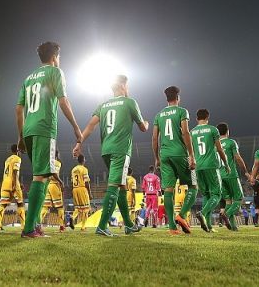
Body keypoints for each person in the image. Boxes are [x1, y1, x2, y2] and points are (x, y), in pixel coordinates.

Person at [15, 41, 82, 238]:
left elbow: (18, 109)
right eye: (59, 57)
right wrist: (76, 127)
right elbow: (63, 101)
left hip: (28, 130)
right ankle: (29, 229)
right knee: (40, 176)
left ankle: (36, 225)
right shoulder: (55, 72)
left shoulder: (28, 78)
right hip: (44, 128)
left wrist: (20, 136)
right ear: (54, 57)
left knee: (42, 175)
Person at [76, 74, 148, 236]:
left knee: (121, 186)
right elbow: (143, 128)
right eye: (127, 86)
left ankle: (128, 225)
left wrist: (79, 142)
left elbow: (90, 125)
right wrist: (147, 123)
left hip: (106, 150)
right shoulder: (130, 102)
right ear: (123, 86)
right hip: (120, 150)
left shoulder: (103, 105)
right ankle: (102, 226)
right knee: (114, 185)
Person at [152, 86, 196, 235]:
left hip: (164, 155)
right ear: (178, 98)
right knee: (193, 186)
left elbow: (154, 138)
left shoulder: (159, 115)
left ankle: (172, 227)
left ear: (167, 99)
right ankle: (181, 215)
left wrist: (157, 158)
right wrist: (191, 155)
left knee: (168, 190)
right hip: (179, 153)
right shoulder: (182, 111)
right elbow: (185, 132)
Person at [190, 109, 230, 233]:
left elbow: (190, 151)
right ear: (208, 118)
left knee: (206, 195)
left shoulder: (192, 132)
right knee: (216, 195)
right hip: (211, 166)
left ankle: (208, 226)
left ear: (196, 118)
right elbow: (220, 149)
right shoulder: (213, 129)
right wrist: (226, 164)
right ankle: (202, 213)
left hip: (198, 167)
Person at [217, 122, 248, 231]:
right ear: (227, 131)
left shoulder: (215, 144)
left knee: (228, 201)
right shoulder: (231, 142)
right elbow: (238, 158)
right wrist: (245, 171)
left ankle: (233, 226)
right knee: (239, 199)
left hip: (219, 176)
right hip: (231, 174)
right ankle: (226, 214)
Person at [0, 144, 25, 230]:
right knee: (20, 203)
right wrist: (15, 185)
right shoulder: (17, 158)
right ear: (18, 151)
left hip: (5, 183)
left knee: (3, 204)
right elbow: (15, 172)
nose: (21, 153)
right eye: (20, 151)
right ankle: (23, 226)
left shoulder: (7, 159)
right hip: (13, 183)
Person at [40, 151, 65, 231]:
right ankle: (61, 226)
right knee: (60, 207)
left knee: (45, 206)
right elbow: (54, 174)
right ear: (57, 155)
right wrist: (61, 182)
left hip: (47, 185)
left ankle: (38, 224)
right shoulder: (57, 163)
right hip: (54, 185)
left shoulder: (48, 163)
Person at [70, 155, 91, 231]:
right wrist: (90, 193)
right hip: (82, 188)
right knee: (86, 208)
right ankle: (83, 227)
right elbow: (87, 182)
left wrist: (72, 191)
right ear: (83, 160)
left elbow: (71, 181)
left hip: (75, 189)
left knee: (78, 208)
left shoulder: (73, 169)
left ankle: (72, 217)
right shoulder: (84, 169)